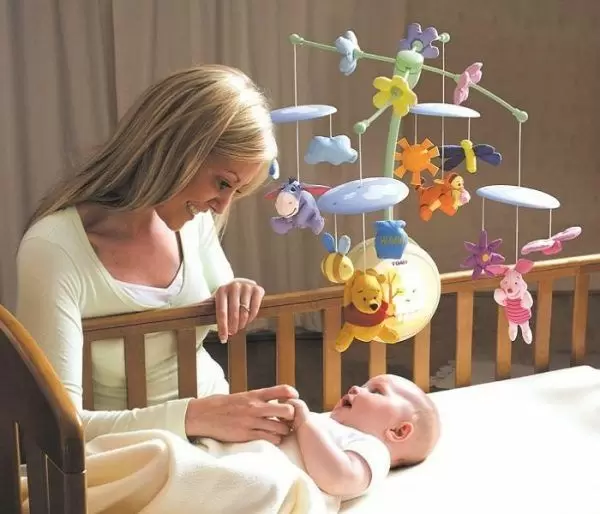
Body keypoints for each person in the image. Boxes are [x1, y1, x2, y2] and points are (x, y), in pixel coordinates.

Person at [15, 63, 299, 445]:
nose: (222, 206)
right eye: (222, 183)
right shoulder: (54, 249)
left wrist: (236, 291)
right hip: (135, 448)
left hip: (221, 430)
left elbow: (221, 299)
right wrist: (194, 416)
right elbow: (57, 425)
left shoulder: (194, 223)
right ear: (175, 149)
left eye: (237, 191)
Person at [280, 374, 440, 501]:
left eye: (376, 391)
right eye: (364, 386)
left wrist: (304, 424)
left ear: (398, 431)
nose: (354, 388)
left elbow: (340, 478)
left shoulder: (374, 449)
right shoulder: (325, 424)